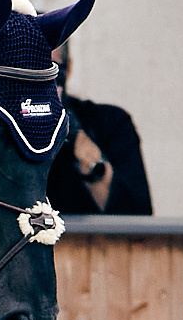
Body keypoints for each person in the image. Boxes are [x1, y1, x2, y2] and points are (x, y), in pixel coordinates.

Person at [42, 44, 152, 216]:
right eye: (26, 69)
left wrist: (87, 157)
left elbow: (137, 223)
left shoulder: (107, 123)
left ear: (67, 69)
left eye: (49, 70)